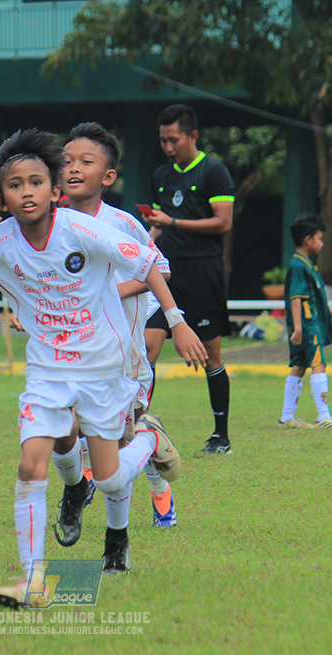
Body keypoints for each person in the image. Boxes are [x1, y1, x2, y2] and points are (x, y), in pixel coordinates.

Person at [0, 128, 206, 609]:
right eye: (15, 185)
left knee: (113, 478)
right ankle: (33, 580)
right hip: (47, 373)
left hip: (104, 370)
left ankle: (149, 439)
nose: (26, 192)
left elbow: (148, 264)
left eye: (36, 182)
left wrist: (177, 321)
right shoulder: (0, 242)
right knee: (29, 464)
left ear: (54, 190)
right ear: (2, 198)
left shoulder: (84, 229)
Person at [53, 121, 179, 533]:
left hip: (123, 355)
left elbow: (160, 270)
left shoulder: (122, 224)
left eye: (85, 161)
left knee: (123, 441)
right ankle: (82, 486)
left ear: (107, 177)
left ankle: (158, 485)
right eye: (67, 161)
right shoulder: (50, 225)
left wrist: (109, 292)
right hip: (72, 352)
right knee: (64, 424)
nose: (73, 168)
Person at [140, 104, 236, 455]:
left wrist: (173, 223)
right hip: (165, 273)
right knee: (146, 348)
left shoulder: (214, 171)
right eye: (163, 140)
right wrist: (144, 244)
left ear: (193, 136)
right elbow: (160, 225)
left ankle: (220, 436)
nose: (168, 147)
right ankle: (135, 425)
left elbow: (223, 222)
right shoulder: (160, 175)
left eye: (174, 140)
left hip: (203, 272)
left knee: (210, 355)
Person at [279, 214, 332, 429]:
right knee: (319, 364)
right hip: (308, 326)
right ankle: (323, 417)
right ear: (308, 239)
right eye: (319, 239)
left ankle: (287, 417)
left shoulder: (306, 264)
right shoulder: (298, 266)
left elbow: (314, 297)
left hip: (308, 325)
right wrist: (298, 329)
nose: (321, 243)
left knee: (300, 366)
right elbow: (296, 297)